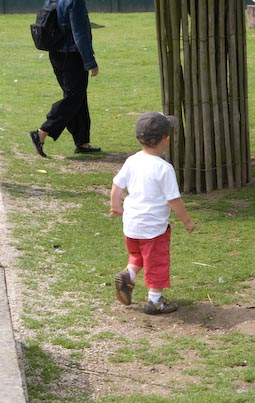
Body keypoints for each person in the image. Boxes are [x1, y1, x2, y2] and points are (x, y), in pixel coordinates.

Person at [110, 112, 196, 315]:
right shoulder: (164, 168)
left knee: (137, 254)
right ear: (166, 140)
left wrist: (115, 206)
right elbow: (173, 200)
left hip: (131, 225)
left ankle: (129, 276)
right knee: (157, 262)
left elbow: (117, 186)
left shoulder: (132, 161)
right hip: (154, 229)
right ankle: (155, 301)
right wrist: (187, 221)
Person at [29, 0, 101, 157]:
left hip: (56, 54)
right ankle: (42, 131)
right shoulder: (75, 2)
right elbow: (79, 33)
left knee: (77, 97)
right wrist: (90, 61)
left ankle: (82, 142)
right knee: (74, 98)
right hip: (72, 55)